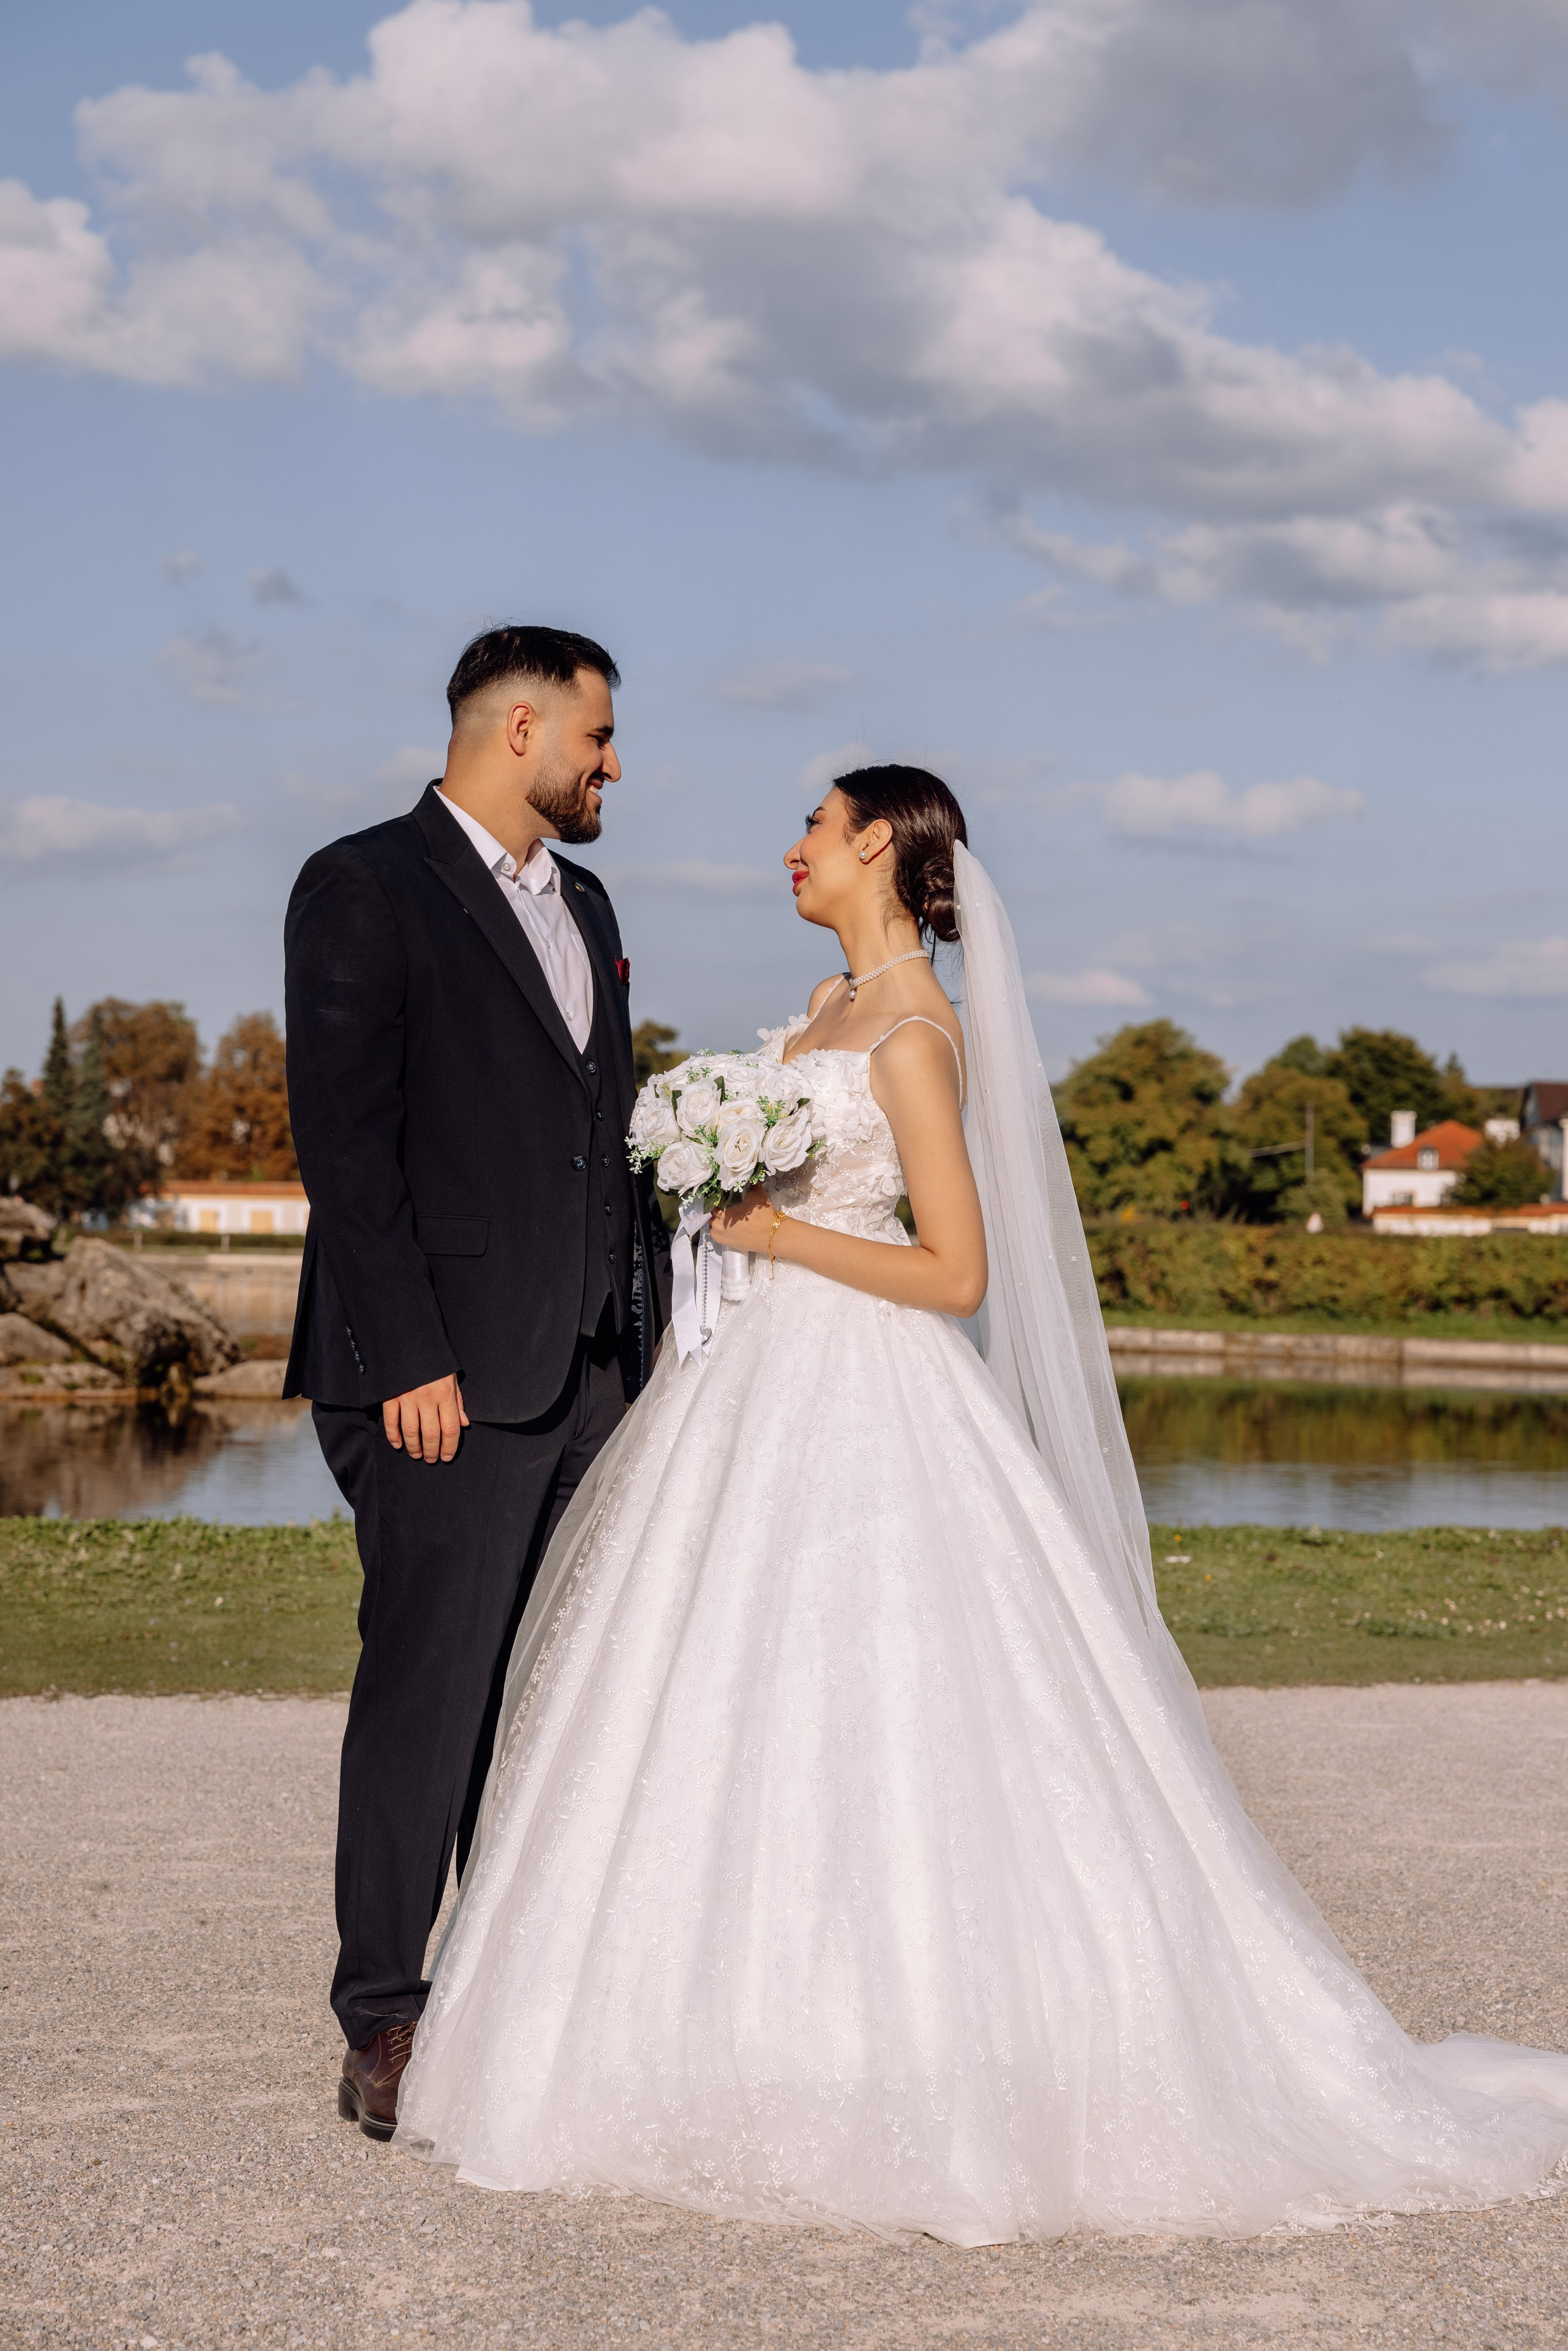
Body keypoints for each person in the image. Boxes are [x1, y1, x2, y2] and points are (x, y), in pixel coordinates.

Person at [392, 764, 1568, 2242]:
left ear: (876, 842)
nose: (790, 849)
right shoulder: (814, 1016)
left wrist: (771, 1232)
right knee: (712, 1697)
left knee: (890, 1704)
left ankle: (922, 2041)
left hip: (862, 1390)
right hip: (746, 1381)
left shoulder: (911, 1034)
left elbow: (955, 1273)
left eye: (811, 828)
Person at [283, 624, 668, 2140]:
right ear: (519, 730)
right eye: (599, 736)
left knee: (552, 1706)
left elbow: (600, 1132)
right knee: (428, 1700)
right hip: (437, 1378)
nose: (612, 765)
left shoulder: (587, 900)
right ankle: (384, 2010)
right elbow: (346, 1147)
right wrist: (408, 1360)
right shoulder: (363, 883)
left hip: (585, 1378)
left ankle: (515, 1996)